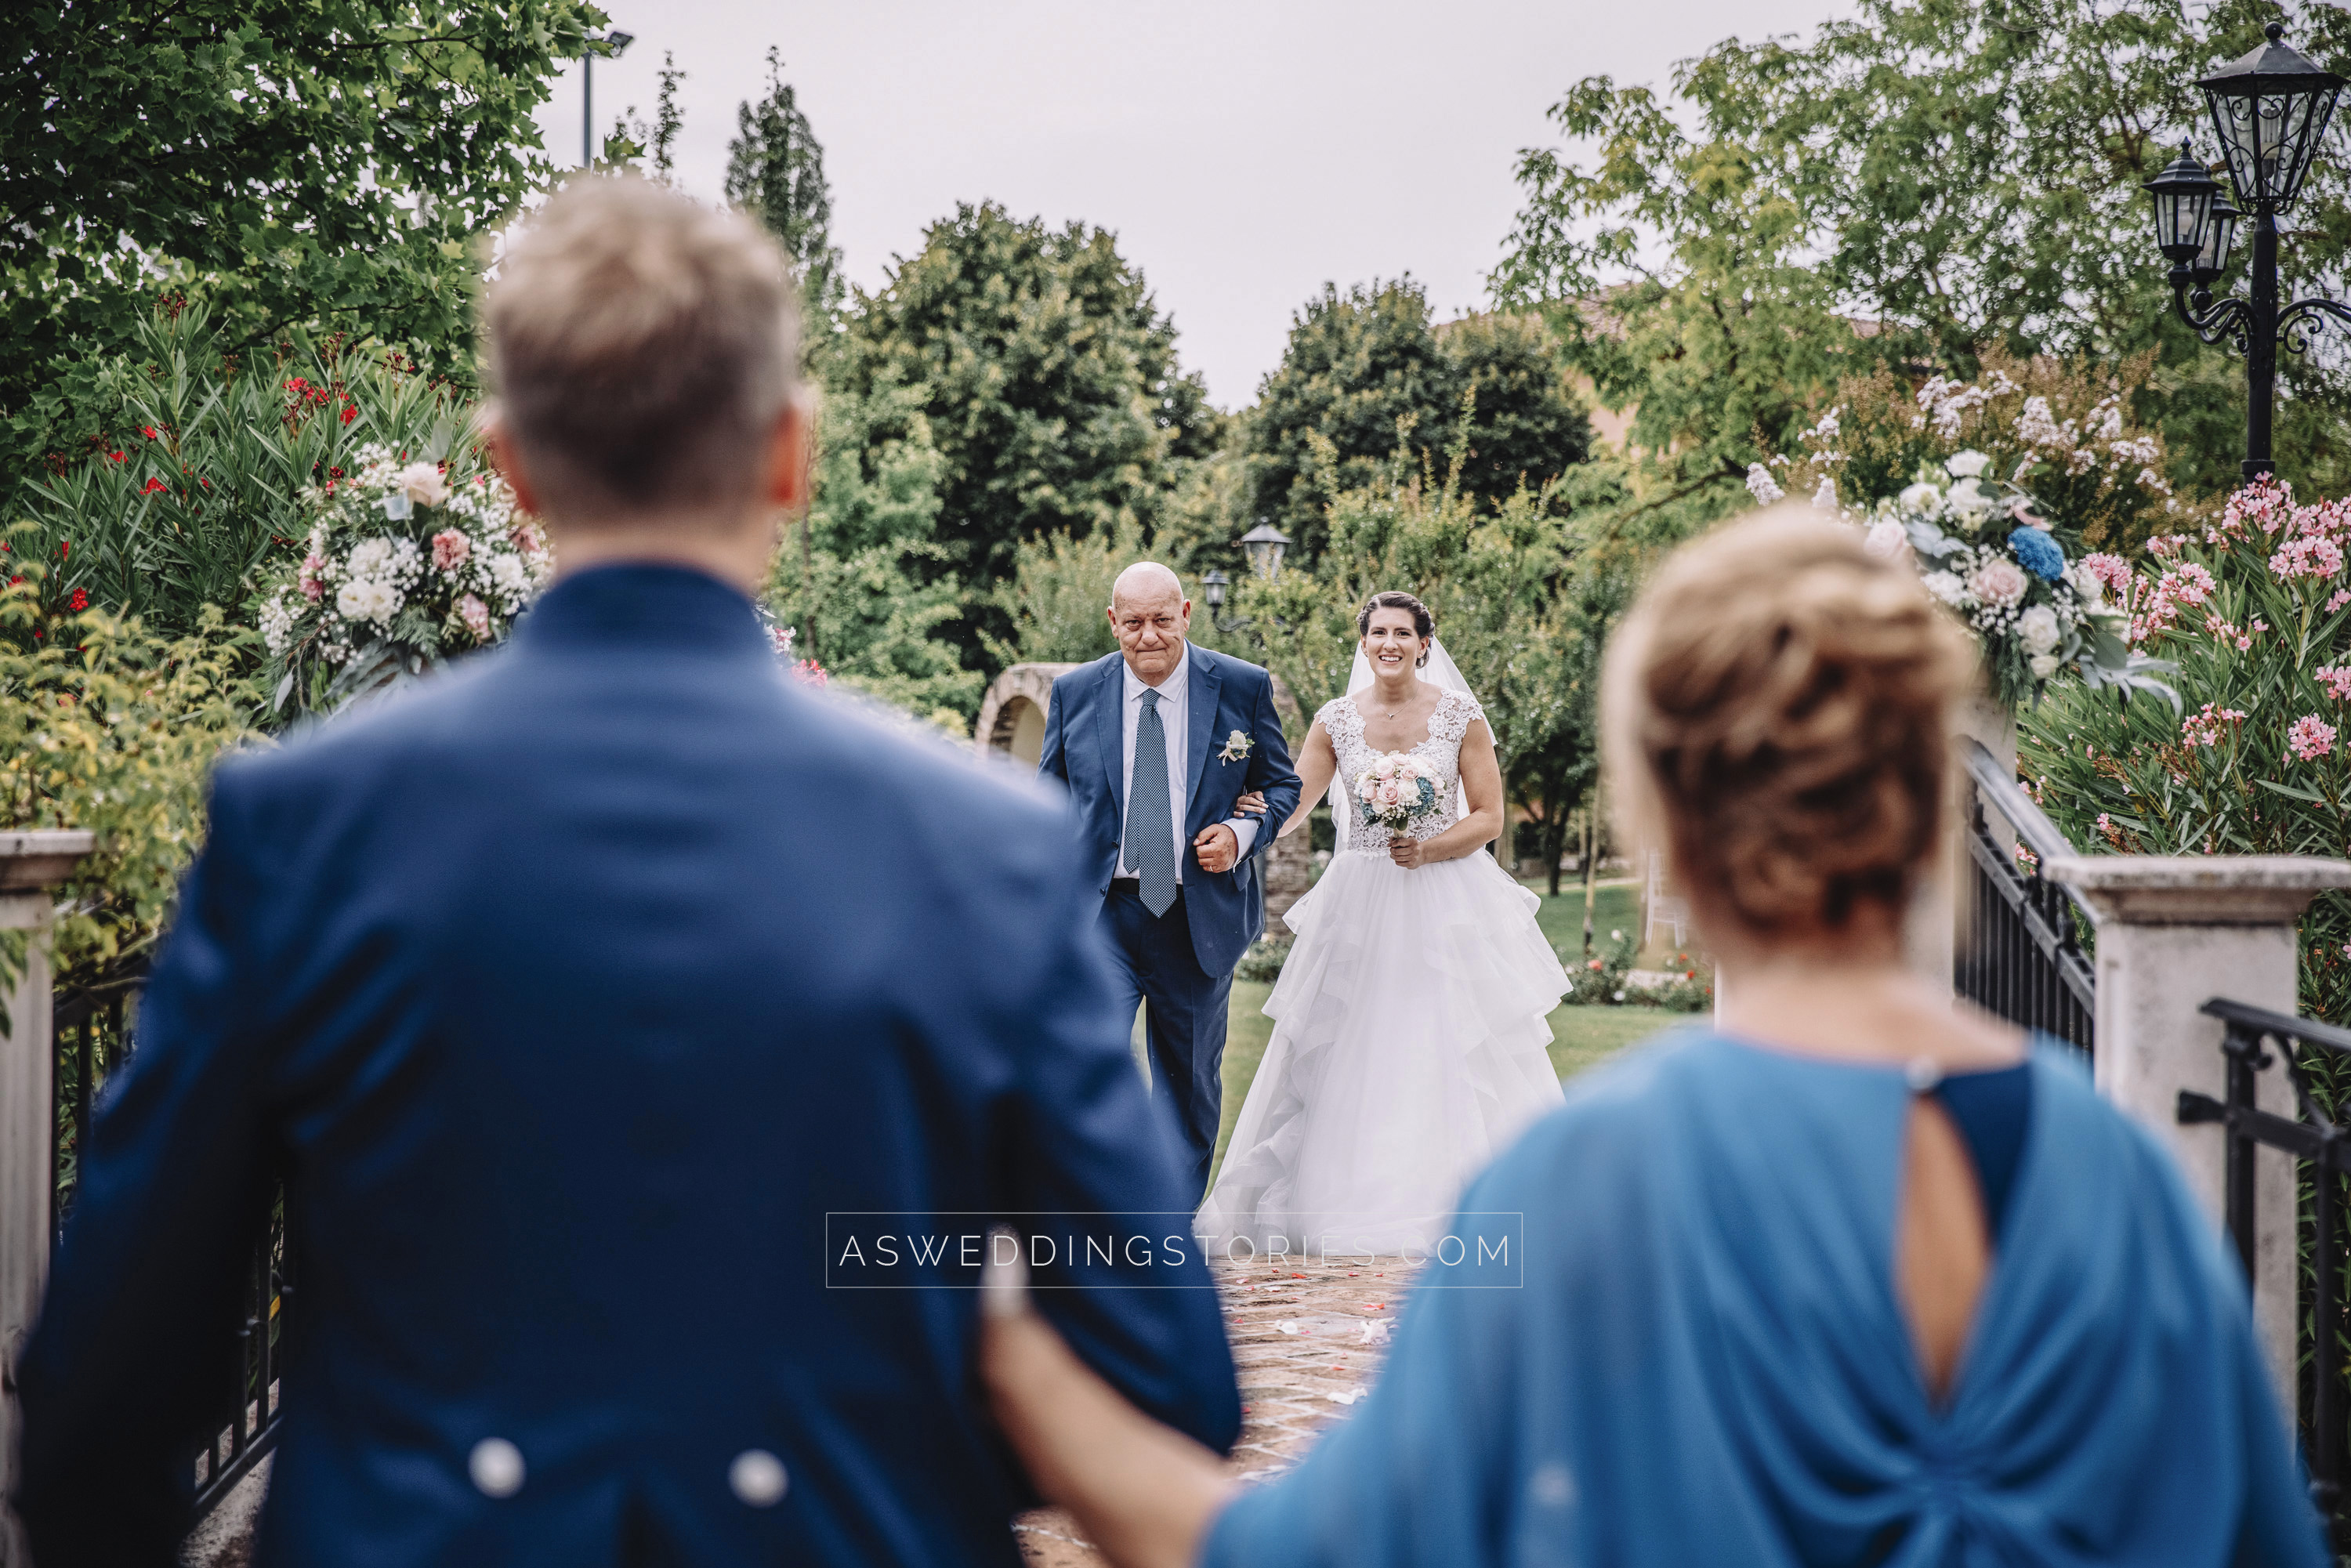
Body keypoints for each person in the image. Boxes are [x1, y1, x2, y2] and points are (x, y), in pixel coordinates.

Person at [13, 176, 1239, 1568]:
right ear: (790, 452)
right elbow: (1173, 1375)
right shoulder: (987, 849)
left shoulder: (301, 826)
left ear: (511, 467)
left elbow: (101, 1401)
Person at [976, 509, 2331, 1568]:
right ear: (1930, 802)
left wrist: (1009, 1355)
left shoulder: (1581, 1184)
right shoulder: (2119, 1177)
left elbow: (1287, 1549)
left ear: (1663, 823)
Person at [1194, 592, 1567, 1258]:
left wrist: (1428, 848)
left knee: (1443, 1035)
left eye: (1403, 632)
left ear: (1424, 643)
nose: (1389, 643)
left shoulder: (1460, 716)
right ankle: (1348, 1198)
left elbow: (1488, 817)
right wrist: (1249, 818)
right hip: (1361, 900)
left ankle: (1460, 1197)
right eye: (1378, 633)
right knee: (1351, 1039)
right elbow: (1298, 800)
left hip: (1443, 897)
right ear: (1362, 642)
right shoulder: (1336, 719)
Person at [1036, 567, 1302, 1203]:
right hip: (1100, 916)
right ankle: (1094, 1210)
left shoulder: (1242, 685)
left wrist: (1240, 833)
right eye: (1134, 622)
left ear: (1186, 613)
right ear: (1113, 622)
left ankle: (1169, 1230)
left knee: (1188, 1084)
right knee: (1079, 1065)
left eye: (1161, 619)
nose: (1149, 635)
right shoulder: (1075, 691)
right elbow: (1048, 798)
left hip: (1196, 918)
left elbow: (1282, 785)